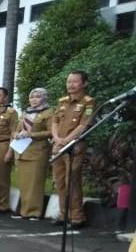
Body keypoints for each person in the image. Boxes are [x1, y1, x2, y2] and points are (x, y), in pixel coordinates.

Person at [50, 70, 94, 227]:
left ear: (84, 83)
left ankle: (76, 216)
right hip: (58, 145)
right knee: (59, 180)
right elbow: (54, 121)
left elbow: (84, 125)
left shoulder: (88, 102)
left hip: (74, 146)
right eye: (69, 81)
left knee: (72, 180)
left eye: (75, 81)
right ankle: (64, 214)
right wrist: (56, 138)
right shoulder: (62, 101)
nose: (71, 84)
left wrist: (67, 140)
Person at [10, 87, 54, 220]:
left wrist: (32, 134)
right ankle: (24, 211)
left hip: (37, 151)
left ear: (44, 98)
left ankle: (34, 212)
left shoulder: (49, 113)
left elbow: (51, 132)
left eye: (37, 97)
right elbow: (18, 129)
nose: (34, 99)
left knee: (35, 183)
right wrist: (17, 134)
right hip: (23, 151)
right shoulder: (26, 112)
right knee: (24, 183)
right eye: (32, 97)